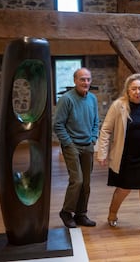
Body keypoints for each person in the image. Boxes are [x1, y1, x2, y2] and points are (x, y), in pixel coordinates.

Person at [97, 73, 140, 235]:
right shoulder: (118, 105)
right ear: (128, 90)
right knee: (123, 189)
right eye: (134, 89)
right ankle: (112, 214)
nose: (137, 92)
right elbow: (106, 129)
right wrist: (102, 152)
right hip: (126, 155)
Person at [53, 67, 99, 228]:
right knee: (77, 180)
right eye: (82, 79)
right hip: (72, 145)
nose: (85, 82)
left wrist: (93, 138)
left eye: (88, 79)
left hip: (88, 145)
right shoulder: (66, 99)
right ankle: (66, 212)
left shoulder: (92, 99)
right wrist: (68, 143)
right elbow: (57, 124)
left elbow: (96, 122)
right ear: (75, 81)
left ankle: (81, 214)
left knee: (86, 183)